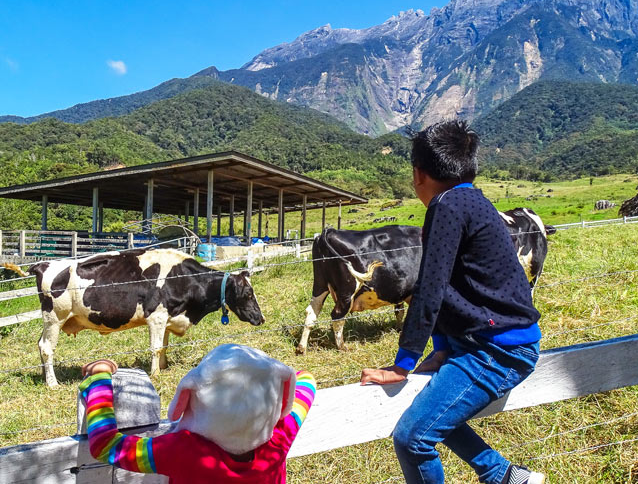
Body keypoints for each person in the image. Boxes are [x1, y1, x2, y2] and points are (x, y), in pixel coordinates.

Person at [360, 120, 545, 484]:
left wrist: (403, 364)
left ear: (418, 174)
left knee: (412, 438)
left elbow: (429, 288)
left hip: (496, 352)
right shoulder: (472, 200)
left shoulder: (446, 206)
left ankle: (504, 476)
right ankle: (504, 476)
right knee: (435, 419)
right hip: (490, 343)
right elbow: (447, 288)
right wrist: (442, 348)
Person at [79, 343, 316, 484]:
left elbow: (106, 445)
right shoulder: (280, 437)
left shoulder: (184, 451)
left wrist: (100, 376)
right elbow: (307, 381)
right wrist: (269, 378)